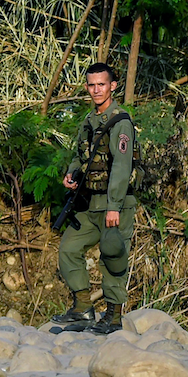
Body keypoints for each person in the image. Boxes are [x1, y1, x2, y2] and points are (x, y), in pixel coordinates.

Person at [52, 63, 138, 334]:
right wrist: (71, 173)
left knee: (112, 257)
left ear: (113, 86)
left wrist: (114, 207)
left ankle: (113, 317)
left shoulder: (120, 122)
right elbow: (81, 156)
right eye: (92, 85)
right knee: (69, 248)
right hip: (90, 203)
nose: (96, 90)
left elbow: (122, 167)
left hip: (115, 204)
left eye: (102, 84)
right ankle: (82, 307)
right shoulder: (89, 121)